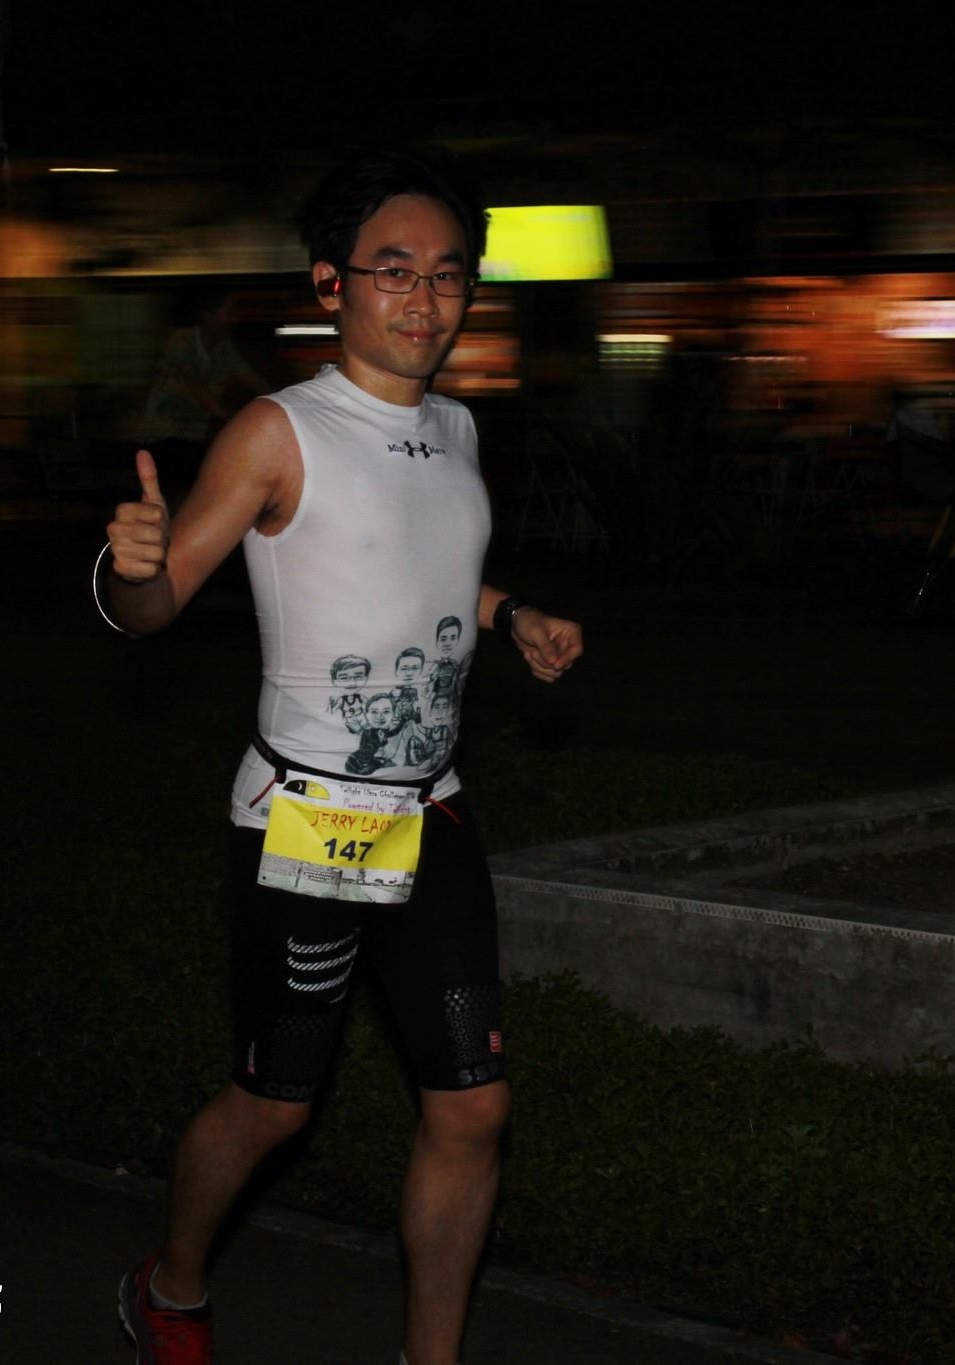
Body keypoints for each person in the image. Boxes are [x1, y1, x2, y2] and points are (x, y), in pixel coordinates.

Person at [99, 148, 584, 1365]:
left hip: (433, 814)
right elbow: (153, 607)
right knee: (275, 1106)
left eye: (447, 275)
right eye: (393, 271)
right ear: (331, 284)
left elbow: (412, 566)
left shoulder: (457, 427)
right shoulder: (277, 432)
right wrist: (129, 568)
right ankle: (170, 1286)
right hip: (305, 819)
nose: (424, 298)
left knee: (473, 1108)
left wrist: (508, 613)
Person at [137, 287, 269, 492]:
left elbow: (254, 380)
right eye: (229, 313)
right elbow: (196, 387)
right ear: (208, 315)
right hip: (163, 438)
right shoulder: (181, 341)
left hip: (193, 438)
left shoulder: (224, 348)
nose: (234, 319)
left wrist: (285, 401)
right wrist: (229, 418)